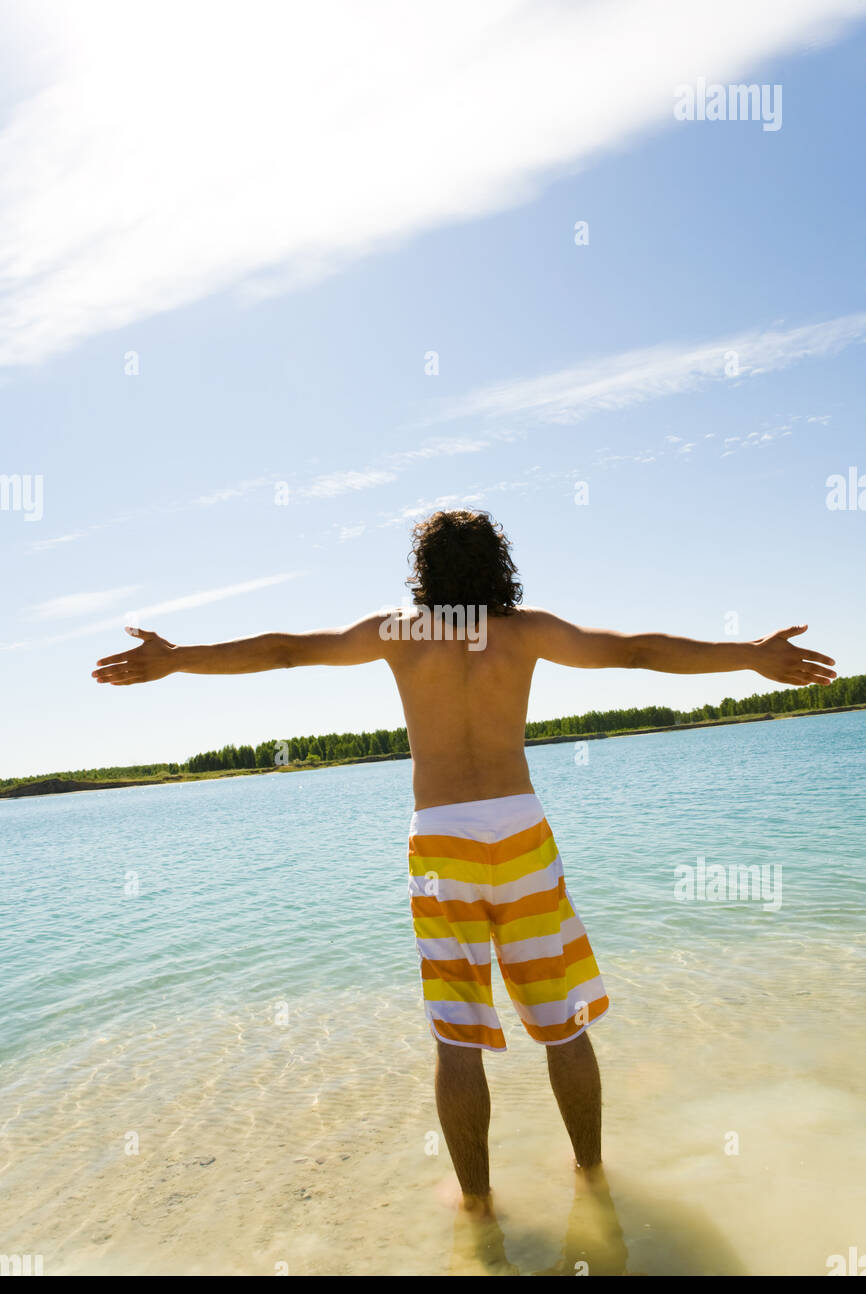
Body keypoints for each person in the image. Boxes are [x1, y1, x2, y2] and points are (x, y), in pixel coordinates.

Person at [91, 508, 836, 1224]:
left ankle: (477, 1206)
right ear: (499, 565)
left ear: (423, 573)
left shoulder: (400, 632)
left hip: (442, 840)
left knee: (456, 1036)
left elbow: (286, 649)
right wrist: (749, 656)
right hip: (520, 832)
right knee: (563, 1025)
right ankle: (592, 1175)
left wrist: (178, 660)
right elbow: (637, 650)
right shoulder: (527, 631)